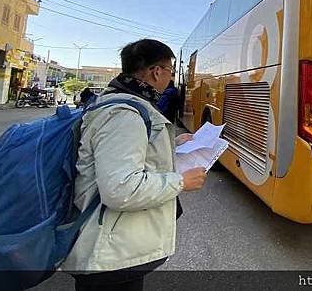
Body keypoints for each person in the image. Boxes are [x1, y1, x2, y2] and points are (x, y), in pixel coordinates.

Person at [61, 39, 207, 291]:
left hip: (114, 249)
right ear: (156, 71)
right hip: (110, 255)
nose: (171, 79)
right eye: (170, 71)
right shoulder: (124, 114)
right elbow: (120, 188)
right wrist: (181, 181)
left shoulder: (123, 103)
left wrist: (172, 144)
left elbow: (126, 152)